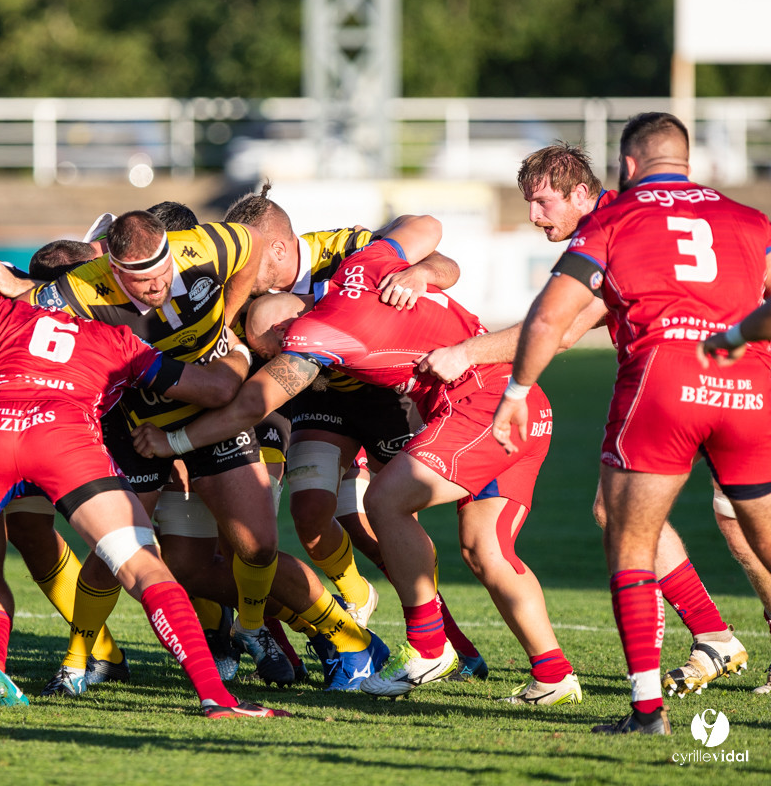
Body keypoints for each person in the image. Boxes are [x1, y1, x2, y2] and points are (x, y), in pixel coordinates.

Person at [132, 231, 581, 706]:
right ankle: (553, 673)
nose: (280, 356)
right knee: (487, 553)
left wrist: (173, 441)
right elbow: (421, 223)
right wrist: (422, 271)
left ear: (293, 325)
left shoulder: (311, 337)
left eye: (276, 348)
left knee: (384, 501)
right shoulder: (362, 265)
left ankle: (430, 647)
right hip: (520, 404)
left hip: (480, 406)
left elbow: (248, 407)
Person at [426, 142, 762, 697]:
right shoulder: (640, 216)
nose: (534, 217)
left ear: (582, 193)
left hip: (691, 381)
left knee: (739, 525)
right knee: (632, 513)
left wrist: (466, 354)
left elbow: (556, 329)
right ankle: (713, 635)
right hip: (718, 380)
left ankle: (671, 680)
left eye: (543, 203)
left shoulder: (615, 226)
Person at [0, 294, 290, 720]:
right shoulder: (116, 337)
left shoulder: (7, 312)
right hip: (65, 440)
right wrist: (240, 351)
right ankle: (215, 696)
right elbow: (216, 389)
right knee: (145, 569)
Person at [32, 210, 383, 691]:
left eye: (161, 275)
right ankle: (82, 662)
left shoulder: (208, 249)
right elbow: (18, 316)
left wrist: (227, 322)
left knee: (254, 546)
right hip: (142, 433)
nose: (155, 288)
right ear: (112, 269)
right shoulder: (80, 293)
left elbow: (252, 243)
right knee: (140, 556)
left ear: (172, 248)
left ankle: (330, 634)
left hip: (218, 422)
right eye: (140, 281)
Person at [221, 183, 487, 681]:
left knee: (385, 523)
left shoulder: (346, 247)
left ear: (278, 249)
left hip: (386, 394)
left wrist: (420, 273)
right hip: (318, 396)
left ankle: (450, 639)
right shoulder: (250, 290)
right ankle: (355, 601)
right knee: (310, 513)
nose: (245, 281)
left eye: (249, 267)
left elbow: (445, 264)